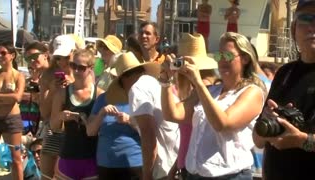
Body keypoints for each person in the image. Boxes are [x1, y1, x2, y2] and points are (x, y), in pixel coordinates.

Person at [161, 32, 266, 179]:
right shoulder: (211, 90)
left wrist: (198, 82)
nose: (222, 60)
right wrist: (166, 81)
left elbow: (223, 123)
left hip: (230, 176)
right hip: (194, 174)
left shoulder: (252, 92)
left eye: (228, 56)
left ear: (245, 58)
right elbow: (172, 114)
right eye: (219, 56)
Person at [253, 0, 315, 179]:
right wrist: (265, 124)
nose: (312, 26)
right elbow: (258, 140)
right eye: (306, 18)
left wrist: (302, 141)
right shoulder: (285, 73)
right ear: (294, 29)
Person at [107, 52, 180, 179]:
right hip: (176, 164)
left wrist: (147, 175)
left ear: (122, 80)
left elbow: (148, 135)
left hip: (165, 168)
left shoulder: (137, 89)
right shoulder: (153, 83)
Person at [163, 33, 218, 180]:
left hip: (198, 170)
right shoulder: (196, 90)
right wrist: (176, 166)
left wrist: (166, 81)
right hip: (188, 166)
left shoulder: (207, 88)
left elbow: (172, 114)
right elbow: (189, 139)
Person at [86, 53, 143, 180]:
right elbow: (90, 131)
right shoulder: (103, 99)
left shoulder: (141, 98)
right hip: (106, 163)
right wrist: (101, 114)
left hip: (133, 163)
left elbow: (151, 131)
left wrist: (129, 121)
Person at [50, 49, 102, 180]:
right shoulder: (62, 93)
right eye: (73, 66)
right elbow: (54, 126)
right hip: (68, 156)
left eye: (81, 68)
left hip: (92, 158)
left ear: (91, 68)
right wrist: (61, 116)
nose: (77, 71)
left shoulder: (100, 94)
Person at [38, 35, 76, 180]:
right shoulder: (48, 75)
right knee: (46, 176)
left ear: (74, 52)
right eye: (59, 57)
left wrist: (72, 83)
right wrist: (53, 90)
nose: (62, 62)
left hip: (74, 132)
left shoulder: (82, 72)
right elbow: (44, 111)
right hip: (53, 130)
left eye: (66, 56)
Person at [0, 43, 25, 180]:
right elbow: (12, 97)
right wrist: (8, 97)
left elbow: (17, 97)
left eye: (3, 53)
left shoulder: (18, 76)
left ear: (12, 55)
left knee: (16, 157)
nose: (0, 56)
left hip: (11, 119)